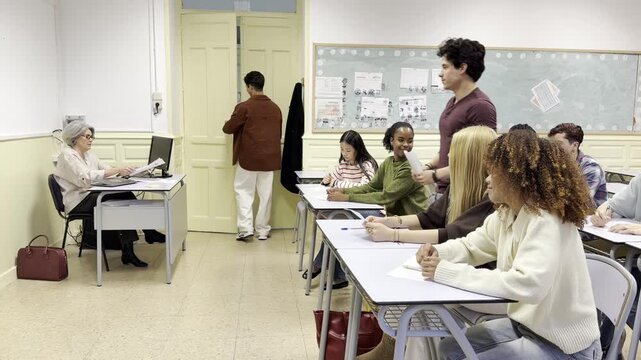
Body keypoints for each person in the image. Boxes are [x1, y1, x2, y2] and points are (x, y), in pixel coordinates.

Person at [415, 130, 601, 359]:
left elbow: (527, 284)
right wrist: (438, 252)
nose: (487, 179)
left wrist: (444, 271)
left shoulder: (546, 221)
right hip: (528, 326)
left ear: (518, 178)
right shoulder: (506, 214)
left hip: (564, 345)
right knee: (449, 348)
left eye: (494, 172)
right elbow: (472, 246)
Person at [53, 121, 165, 268]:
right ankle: (144, 237)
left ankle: (130, 250)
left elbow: (105, 169)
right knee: (123, 198)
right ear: (75, 138)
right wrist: (115, 170)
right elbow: (85, 178)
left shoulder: (88, 156)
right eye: (87, 136)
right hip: (77, 202)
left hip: (89, 196)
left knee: (124, 199)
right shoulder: (67, 156)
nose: (90, 139)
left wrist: (123, 170)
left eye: (91, 136)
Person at [363, 125, 496, 245]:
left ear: (469, 160)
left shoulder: (491, 199)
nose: (448, 155)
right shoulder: (456, 188)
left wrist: (393, 234)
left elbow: (450, 235)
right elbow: (427, 218)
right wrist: (385, 222)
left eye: (453, 151)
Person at [412, 38, 497, 195]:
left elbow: (478, 160)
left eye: (445, 67)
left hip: (463, 193)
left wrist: (436, 175)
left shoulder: (480, 106)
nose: (440, 73)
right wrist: (429, 167)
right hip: (445, 190)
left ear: (462, 68)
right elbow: (447, 145)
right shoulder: (452, 102)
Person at [304, 130, 379, 288]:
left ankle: (319, 265)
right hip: (347, 206)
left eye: (348, 150)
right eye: (342, 150)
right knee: (332, 229)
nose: (344, 154)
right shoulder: (344, 165)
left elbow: (365, 188)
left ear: (358, 149)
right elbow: (330, 176)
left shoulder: (366, 164)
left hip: (365, 209)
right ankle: (339, 276)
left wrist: (338, 183)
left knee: (334, 230)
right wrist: (327, 181)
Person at [222, 71, 282, 241]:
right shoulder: (275, 108)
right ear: (262, 85)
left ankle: (245, 229)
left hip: (248, 158)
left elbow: (228, 128)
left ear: (249, 87)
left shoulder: (243, 107)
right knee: (266, 195)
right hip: (270, 158)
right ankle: (263, 230)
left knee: (243, 192)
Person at [327, 121, 427, 216]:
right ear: (391, 140)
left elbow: (386, 196)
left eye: (410, 141)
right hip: (395, 217)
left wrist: (347, 197)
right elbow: (370, 187)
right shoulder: (388, 162)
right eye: (401, 140)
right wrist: (343, 191)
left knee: (351, 215)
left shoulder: (410, 167)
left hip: (414, 221)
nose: (406, 144)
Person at [549, 122, 607, 206]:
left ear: (575, 145)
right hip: (564, 213)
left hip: (589, 216)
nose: (553, 148)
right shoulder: (557, 163)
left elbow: (581, 200)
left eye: (558, 144)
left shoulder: (591, 167)